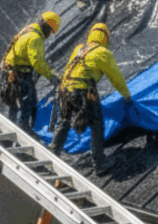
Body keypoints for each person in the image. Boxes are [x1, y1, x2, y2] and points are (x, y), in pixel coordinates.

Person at [50, 23, 132, 175]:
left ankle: (51, 154)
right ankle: (100, 163)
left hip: (64, 90)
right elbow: (116, 78)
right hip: (83, 92)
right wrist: (126, 96)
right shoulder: (103, 52)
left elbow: (69, 69)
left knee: (64, 122)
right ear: (105, 38)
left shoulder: (79, 49)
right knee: (96, 124)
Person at [0, 12, 61, 132]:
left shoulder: (29, 29)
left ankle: (9, 129)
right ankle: (24, 128)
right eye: (51, 32)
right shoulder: (35, 38)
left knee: (14, 104)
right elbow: (37, 62)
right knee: (29, 103)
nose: (49, 36)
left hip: (10, 70)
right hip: (20, 73)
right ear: (47, 28)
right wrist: (51, 77)